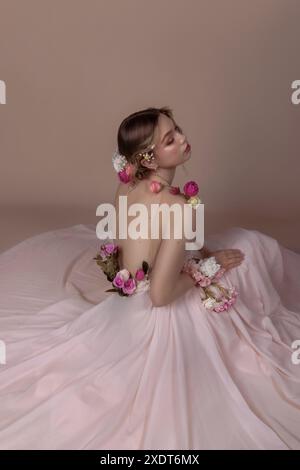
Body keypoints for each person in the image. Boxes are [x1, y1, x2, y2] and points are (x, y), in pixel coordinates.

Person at [0, 106, 299, 450]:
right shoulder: (177, 206)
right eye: (170, 139)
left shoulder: (128, 186)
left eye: (178, 130)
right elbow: (160, 295)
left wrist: (194, 252)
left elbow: (136, 245)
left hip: (127, 303)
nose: (184, 140)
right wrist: (210, 266)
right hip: (158, 313)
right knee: (250, 252)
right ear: (148, 157)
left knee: (241, 244)